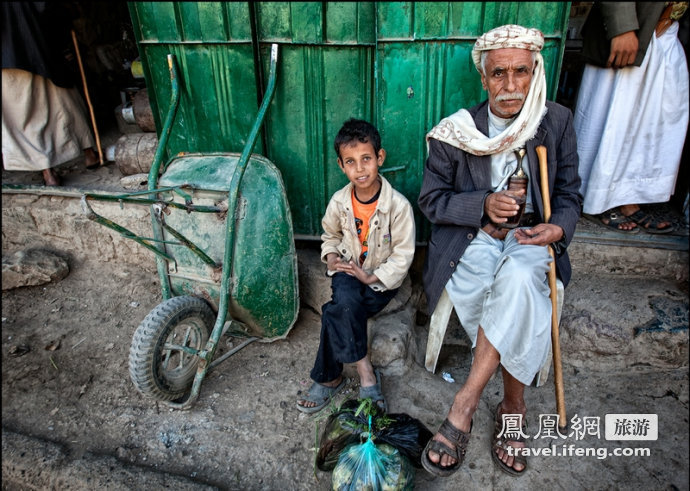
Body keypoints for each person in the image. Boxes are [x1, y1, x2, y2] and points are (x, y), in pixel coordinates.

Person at [417, 25, 582, 477]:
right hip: (476, 237)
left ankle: (464, 406)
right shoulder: (458, 131)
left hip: (531, 237)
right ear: (484, 79)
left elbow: (570, 196)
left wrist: (555, 229)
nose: (510, 86)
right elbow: (431, 201)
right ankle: (513, 406)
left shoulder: (556, 121)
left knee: (519, 279)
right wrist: (483, 204)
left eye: (521, 73)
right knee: (502, 286)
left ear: (536, 73)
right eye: (499, 74)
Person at [296, 118, 416, 414]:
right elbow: (330, 235)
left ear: (380, 158)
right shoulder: (339, 202)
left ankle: (329, 377)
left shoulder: (398, 206)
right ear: (341, 165)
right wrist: (333, 257)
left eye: (366, 159)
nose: (360, 169)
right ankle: (365, 373)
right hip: (349, 271)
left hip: (380, 280)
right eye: (351, 162)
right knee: (346, 300)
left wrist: (372, 275)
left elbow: (403, 256)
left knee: (335, 312)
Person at [574, 2, 689, 233]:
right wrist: (622, 28)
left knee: (657, 121)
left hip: (665, 31)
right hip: (630, 33)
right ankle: (596, 199)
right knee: (611, 118)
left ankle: (626, 197)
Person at [2, 2, 98, 187]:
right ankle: (90, 154)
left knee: (21, 118)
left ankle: (48, 174)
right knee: (63, 103)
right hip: (40, 51)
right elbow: (49, 8)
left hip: (7, 59)